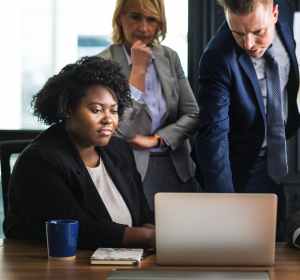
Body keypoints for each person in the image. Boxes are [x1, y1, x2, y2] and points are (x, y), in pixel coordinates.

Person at [4, 56, 155, 249]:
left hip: (122, 261)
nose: (108, 119)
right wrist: (147, 238)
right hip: (53, 266)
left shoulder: (119, 150)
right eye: (96, 110)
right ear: (68, 109)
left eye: (114, 110)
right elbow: (78, 230)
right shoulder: (40, 160)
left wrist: (162, 233)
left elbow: (142, 214)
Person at [192, 0, 299, 241]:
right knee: (241, 245)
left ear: (275, 13)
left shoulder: (287, 20)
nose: (248, 44)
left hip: (276, 152)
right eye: (237, 33)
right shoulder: (217, 57)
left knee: (277, 240)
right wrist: (225, 206)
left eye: (258, 32)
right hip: (239, 166)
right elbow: (213, 135)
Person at [99, 0, 200, 211]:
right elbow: (118, 130)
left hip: (177, 169)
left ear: (160, 24)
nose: (144, 28)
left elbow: (192, 114)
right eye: (135, 17)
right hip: (131, 171)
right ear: (120, 18)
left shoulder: (169, 57)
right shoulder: (103, 63)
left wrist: (157, 140)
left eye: (152, 19)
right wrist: (138, 72)